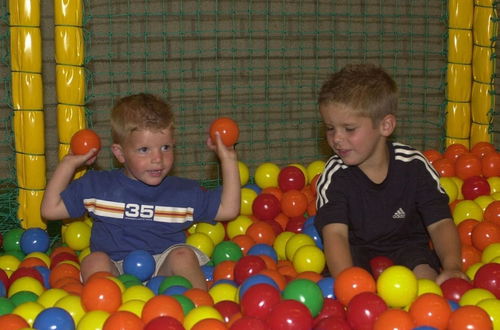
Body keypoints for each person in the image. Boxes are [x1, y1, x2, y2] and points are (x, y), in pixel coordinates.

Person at [41, 93, 241, 289]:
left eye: (165, 147)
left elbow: (228, 209)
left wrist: (228, 159)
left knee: (183, 255)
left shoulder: (183, 193)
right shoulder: (98, 187)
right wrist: (68, 164)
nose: (157, 159)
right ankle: (104, 313)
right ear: (120, 153)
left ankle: (200, 310)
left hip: (164, 267)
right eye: (144, 150)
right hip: (115, 269)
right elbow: (50, 210)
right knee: (94, 260)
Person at [314, 63, 468, 285]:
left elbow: (440, 222)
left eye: (349, 129)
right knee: (352, 276)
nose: (336, 138)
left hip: (408, 249)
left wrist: (452, 266)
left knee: (425, 277)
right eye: (330, 128)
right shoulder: (335, 175)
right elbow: (335, 235)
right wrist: (348, 285)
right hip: (358, 251)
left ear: (385, 125)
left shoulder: (413, 165)